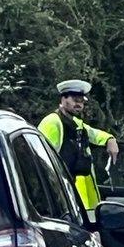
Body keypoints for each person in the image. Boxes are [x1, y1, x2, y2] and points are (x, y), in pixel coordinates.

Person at [38, 80, 119, 210]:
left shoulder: (75, 123)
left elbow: (94, 134)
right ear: (63, 99)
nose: (79, 105)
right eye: (75, 100)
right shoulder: (53, 123)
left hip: (74, 197)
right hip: (60, 199)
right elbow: (44, 164)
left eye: (81, 101)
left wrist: (110, 139)